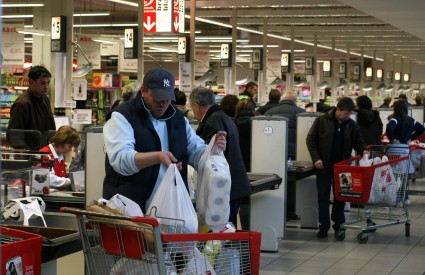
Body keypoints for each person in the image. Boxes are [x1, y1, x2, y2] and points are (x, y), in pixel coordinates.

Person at [102, 67, 227, 213]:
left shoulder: (178, 119)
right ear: (143, 91)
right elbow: (121, 160)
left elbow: (194, 149)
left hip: (169, 211)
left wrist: (211, 150)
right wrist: (157, 157)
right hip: (129, 209)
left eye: (167, 98)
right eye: (157, 98)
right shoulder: (123, 116)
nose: (163, 103)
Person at [189, 87, 252, 227]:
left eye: (192, 108)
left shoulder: (212, 121)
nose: (193, 113)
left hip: (224, 186)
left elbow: (213, 156)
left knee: (221, 229)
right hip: (233, 183)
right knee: (228, 227)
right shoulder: (224, 117)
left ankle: (224, 249)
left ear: (197, 106)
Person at [306, 97, 368, 238]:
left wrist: (363, 149)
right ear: (338, 110)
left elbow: (358, 140)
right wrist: (316, 158)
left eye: (349, 114)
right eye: (346, 113)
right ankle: (324, 226)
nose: (348, 116)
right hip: (324, 165)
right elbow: (311, 140)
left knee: (341, 196)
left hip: (343, 166)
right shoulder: (322, 120)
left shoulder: (351, 124)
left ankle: (339, 224)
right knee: (323, 196)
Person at [386, 99, 425, 205]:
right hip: (405, 150)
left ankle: (396, 198)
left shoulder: (395, 120)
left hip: (394, 150)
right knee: (404, 175)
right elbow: (421, 129)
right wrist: (410, 138)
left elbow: (389, 128)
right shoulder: (411, 120)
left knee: (393, 175)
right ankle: (405, 197)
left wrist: (393, 138)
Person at [7, 65, 56, 150]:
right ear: (32, 82)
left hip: (45, 152)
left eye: (48, 82)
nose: (46, 86)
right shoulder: (22, 104)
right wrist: (29, 154)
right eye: (43, 83)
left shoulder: (44, 98)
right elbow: (14, 135)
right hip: (31, 157)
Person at [265, 90, 306, 160]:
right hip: (294, 149)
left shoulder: (270, 112)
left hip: (274, 148)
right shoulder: (301, 112)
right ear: (294, 100)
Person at [234, 99, 256, 171]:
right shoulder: (257, 124)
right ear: (252, 109)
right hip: (254, 160)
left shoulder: (232, 123)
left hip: (237, 160)